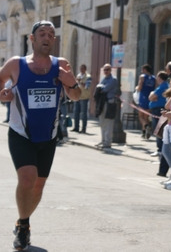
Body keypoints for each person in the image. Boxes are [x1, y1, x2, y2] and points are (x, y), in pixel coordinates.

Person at [0, 20, 81, 250]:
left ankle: (22, 221)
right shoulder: (16, 64)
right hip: (20, 133)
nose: (47, 37)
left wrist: (71, 83)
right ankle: (24, 227)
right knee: (27, 178)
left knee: (38, 186)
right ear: (32, 39)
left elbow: (76, 96)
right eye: (42, 33)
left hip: (49, 135)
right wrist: (3, 95)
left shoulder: (62, 65)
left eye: (51, 34)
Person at [148, 71, 170, 177]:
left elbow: (152, 96)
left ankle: (159, 149)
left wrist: (153, 97)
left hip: (158, 111)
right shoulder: (162, 86)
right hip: (156, 110)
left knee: (159, 132)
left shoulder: (163, 86)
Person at [94, 63, 118, 149]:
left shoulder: (113, 79)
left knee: (108, 123)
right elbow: (98, 89)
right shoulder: (103, 79)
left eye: (108, 69)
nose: (106, 71)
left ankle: (107, 142)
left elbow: (104, 89)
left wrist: (100, 88)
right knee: (102, 122)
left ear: (111, 70)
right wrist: (100, 88)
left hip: (109, 103)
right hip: (102, 103)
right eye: (105, 69)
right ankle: (103, 140)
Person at [136, 64, 156, 139]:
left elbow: (139, 87)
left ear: (145, 70)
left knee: (141, 116)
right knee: (146, 116)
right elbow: (155, 88)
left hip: (143, 97)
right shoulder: (154, 78)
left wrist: (136, 88)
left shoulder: (142, 77)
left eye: (142, 69)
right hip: (150, 98)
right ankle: (144, 132)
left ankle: (147, 126)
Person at [71, 64, 91, 133]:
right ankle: (76, 127)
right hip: (77, 97)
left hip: (84, 97)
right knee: (76, 112)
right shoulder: (78, 76)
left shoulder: (88, 77)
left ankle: (83, 128)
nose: (81, 70)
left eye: (83, 68)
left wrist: (81, 82)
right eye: (80, 68)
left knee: (83, 114)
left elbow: (87, 87)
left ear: (85, 69)